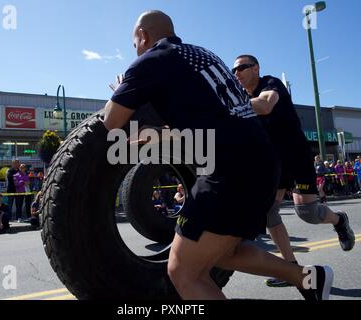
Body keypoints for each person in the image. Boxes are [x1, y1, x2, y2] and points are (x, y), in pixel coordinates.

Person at [103, 10, 333, 300]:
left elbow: (111, 122)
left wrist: (125, 87)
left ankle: (307, 278)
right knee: (222, 251)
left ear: (143, 36)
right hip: (262, 163)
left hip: (229, 169)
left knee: (183, 272)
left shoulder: (148, 62)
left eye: (134, 43)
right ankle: (309, 278)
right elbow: (198, 121)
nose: (134, 49)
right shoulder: (204, 55)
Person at [232, 54, 355, 287]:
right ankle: (291, 269)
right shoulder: (240, 97)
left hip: (295, 155)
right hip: (272, 161)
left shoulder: (270, 83)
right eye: (233, 70)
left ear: (255, 68)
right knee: (269, 214)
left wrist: (229, 107)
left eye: (241, 68)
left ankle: (339, 220)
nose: (236, 73)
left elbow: (266, 104)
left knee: (308, 212)